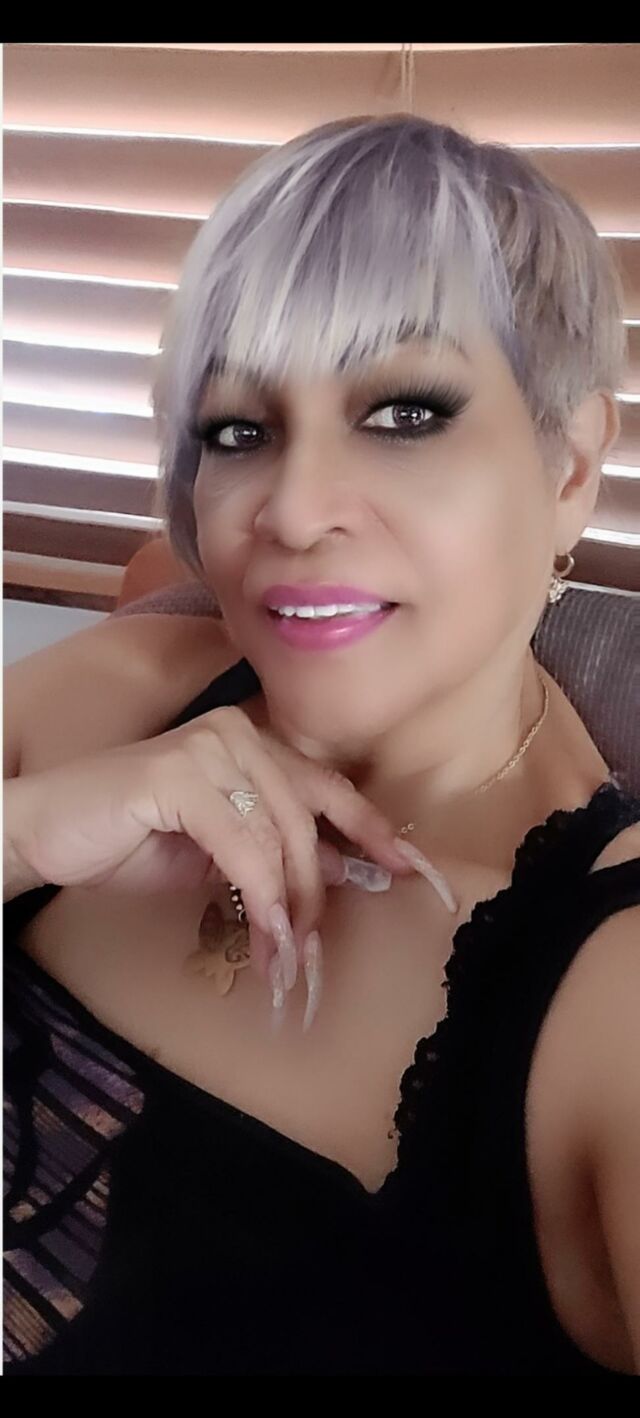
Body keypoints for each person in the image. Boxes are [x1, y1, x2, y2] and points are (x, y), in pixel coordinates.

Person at [4, 113, 640, 1377]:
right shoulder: (127, 687)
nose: (290, 511)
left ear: (569, 463)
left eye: (404, 412)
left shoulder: (604, 999)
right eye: (239, 431)